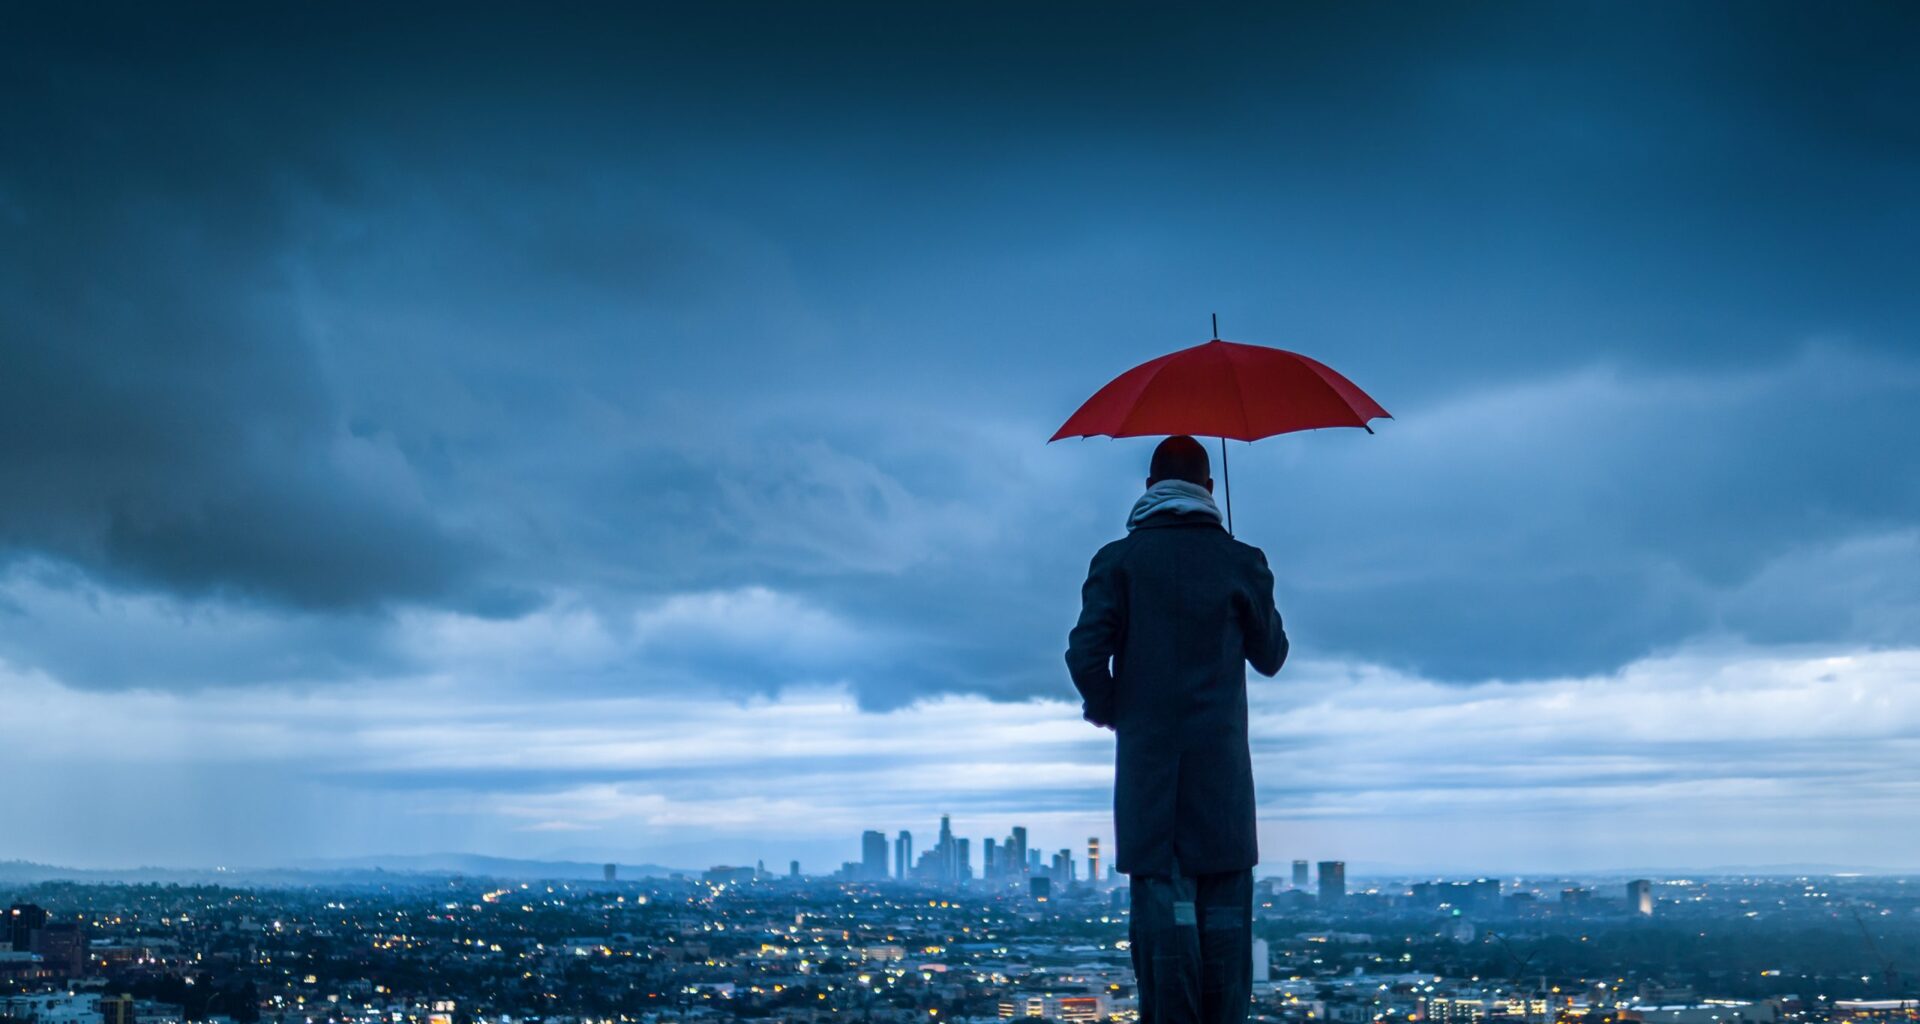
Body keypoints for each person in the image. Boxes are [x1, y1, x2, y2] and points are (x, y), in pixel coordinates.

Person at [1066, 435, 1288, 1024]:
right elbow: (1271, 655)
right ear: (1210, 491)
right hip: (1224, 797)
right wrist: (1250, 580)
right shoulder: (1241, 560)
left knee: (1168, 958)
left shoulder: (1119, 561)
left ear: (1147, 490)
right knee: (1225, 953)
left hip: (1151, 793)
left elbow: (1084, 656)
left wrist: (1115, 709)